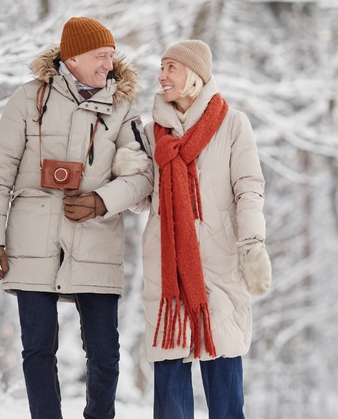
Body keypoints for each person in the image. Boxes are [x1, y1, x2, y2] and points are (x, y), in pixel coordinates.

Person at [0, 17, 152, 419]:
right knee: (37, 349)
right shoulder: (28, 98)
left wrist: (101, 201)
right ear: (73, 58)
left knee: (105, 353)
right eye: (100, 55)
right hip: (32, 240)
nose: (109, 64)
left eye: (111, 55)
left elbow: (142, 176)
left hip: (96, 240)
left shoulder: (122, 107)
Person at [116, 39, 272, 418]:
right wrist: (127, 164)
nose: (162, 76)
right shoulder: (149, 133)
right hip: (167, 270)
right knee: (171, 399)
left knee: (226, 396)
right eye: (161, 68)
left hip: (219, 265)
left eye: (171, 68)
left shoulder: (232, 124)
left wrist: (252, 243)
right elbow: (141, 199)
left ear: (196, 76)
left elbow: (249, 188)